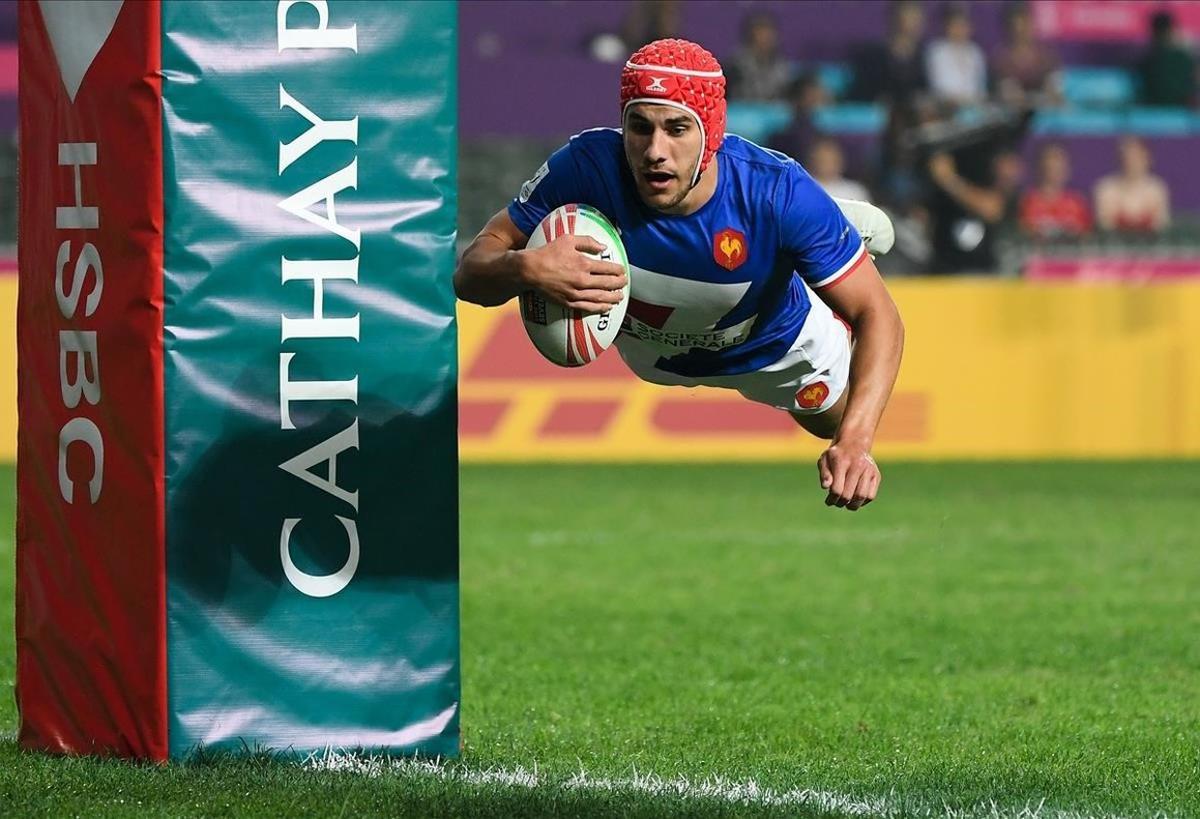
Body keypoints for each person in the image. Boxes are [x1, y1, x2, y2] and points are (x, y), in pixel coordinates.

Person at [456, 39, 905, 511]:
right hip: (655, 355)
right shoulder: (585, 168)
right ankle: (821, 236)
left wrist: (856, 443)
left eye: (677, 129)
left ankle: (824, 233)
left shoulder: (775, 192)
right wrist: (523, 265)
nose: (655, 151)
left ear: (710, 134)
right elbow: (470, 274)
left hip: (776, 346)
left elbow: (881, 315)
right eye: (640, 127)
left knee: (833, 422)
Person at [926, 148, 1024, 273]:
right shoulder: (972, 174)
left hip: (983, 275)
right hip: (944, 270)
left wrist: (948, 179)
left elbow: (991, 209)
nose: (1008, 172)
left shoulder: (1012, 197)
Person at [848, 0, 928, 105]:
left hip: (910, 113)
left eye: (918, 16)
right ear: (896, 18)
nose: (917, 21)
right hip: (878, 110)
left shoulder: (924, 55)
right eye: (911, 15)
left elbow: (924, 91)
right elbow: (863, 91)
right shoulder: (874, 54)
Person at [991, 2, 1063, 108]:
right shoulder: (1002, 59)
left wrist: (1052, 94)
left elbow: (1055, 92)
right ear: (1010, 28)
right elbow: (1011, 96)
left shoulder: (1046, 55)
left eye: (1027, 23)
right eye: (1019, 26)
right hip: (1013, 115)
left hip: (1045, 114)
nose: (1024, 30)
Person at [1093, 136, 1171, 233]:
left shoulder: (1157, 189)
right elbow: (1105, 226)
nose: (1132, 162)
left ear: (1147, 159)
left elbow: (1161, 226)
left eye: (1137, 157)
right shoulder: (1106, 189)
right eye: (1128, 156)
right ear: (1120, 159)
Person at [1019, 142, 1091, 239]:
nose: (1055, 167)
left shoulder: (1077, 202)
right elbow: (1022, 233)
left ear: (1068, 169)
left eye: (1060, 164)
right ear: (1040, 167)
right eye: (1051, 164)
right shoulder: (1026, 201)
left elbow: (1087, 236)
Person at [725, 11, 795, 102]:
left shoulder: (781, 65)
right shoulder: (735, 65)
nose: (765, 38)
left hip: (774, 113)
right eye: (760, 34)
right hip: (743, 112)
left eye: (768, 34)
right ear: (750, 36)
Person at [925, 4, 987, 106]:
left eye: (963, 26)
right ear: (947, 27)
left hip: (975, 106)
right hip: (946, 107)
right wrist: (961, 100)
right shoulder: (937, 52)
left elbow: (981, 88)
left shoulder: (975, 52)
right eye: (955, 26)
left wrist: (975, 100)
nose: (959, 30)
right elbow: (939, 88)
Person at [1137, 11, 1197, 108]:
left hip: (1152, 114)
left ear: (1152, 30)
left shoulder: (1145, 60)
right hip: (1180, 115)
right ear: (1171, 30)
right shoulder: (1184, 58)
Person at [766, 72, 827, 164]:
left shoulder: (819, 133)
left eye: (815, 96)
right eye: (810, 96)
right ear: (796, 99)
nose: (814, 100)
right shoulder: (780, 136)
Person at [807, 137, 872, 202]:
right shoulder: (805, 190)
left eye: (832, 161)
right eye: (823, 160)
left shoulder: (856, 191)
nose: (828, 166)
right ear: (813, 161)